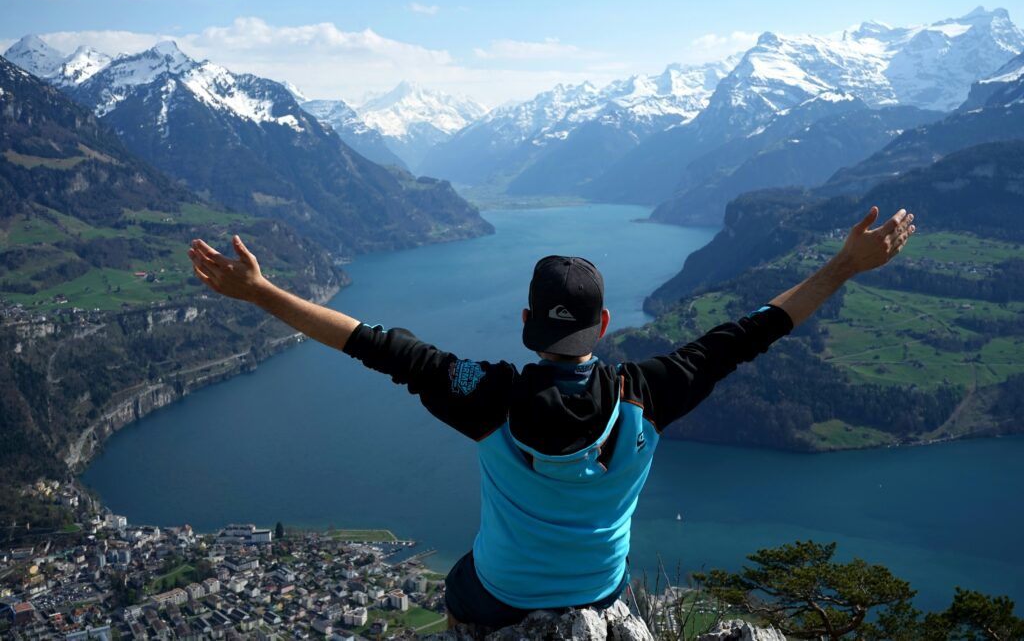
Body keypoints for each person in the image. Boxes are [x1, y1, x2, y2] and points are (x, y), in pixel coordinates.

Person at [187, 205, 915, 630]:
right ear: (602, 326)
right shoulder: (647, 392)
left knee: (460, 585)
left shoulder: (487, 397)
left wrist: (262, 292)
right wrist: (843, 267)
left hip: (501, 594)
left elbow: (370, 342)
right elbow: (751, 332)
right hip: (600, 591)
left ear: (527, 322)